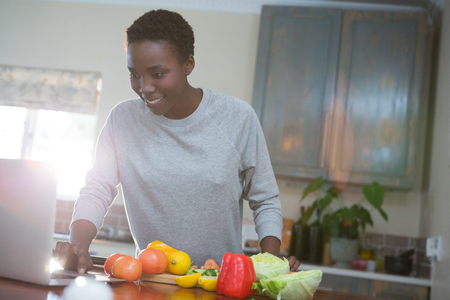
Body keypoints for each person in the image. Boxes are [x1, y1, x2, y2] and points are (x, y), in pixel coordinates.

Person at [53, 9, 301, 274]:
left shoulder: (236, 118)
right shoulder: (121, 121)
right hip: (150, 282)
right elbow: (97, 188)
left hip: (222, 285)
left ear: (188, 65)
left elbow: (264, 199)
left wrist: (271, 266)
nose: (144, 87)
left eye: (157, 74)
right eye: (134, 74)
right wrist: (77, 245)